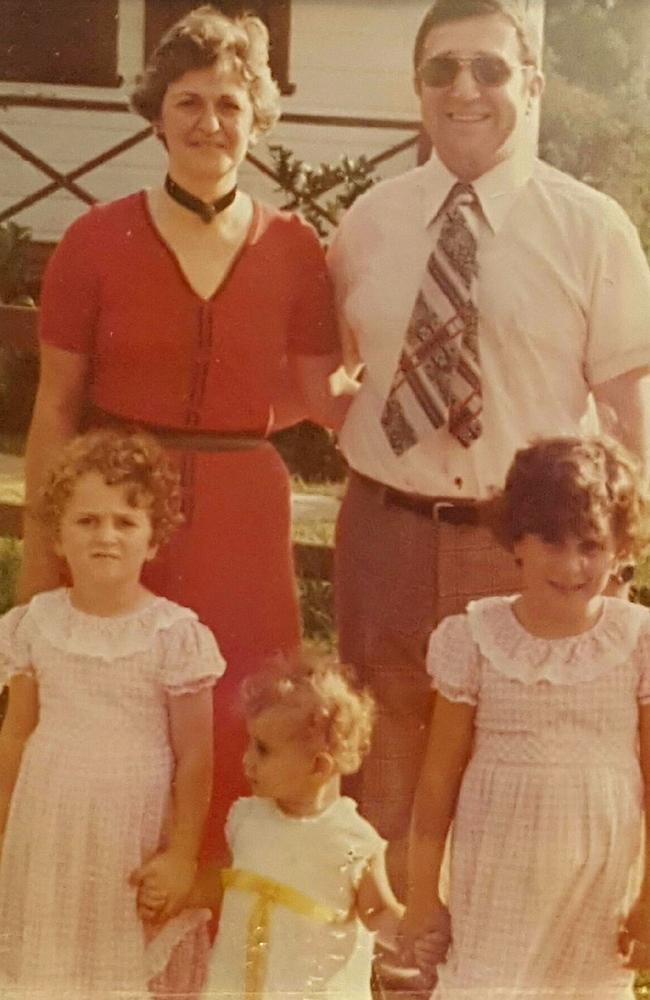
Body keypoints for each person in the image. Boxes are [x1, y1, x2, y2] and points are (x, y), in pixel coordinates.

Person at [327, 0, 650, 898]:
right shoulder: (369, 222)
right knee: (381, 762)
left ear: (533, 86)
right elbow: (339, 377)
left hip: (523, 549)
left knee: (515, 778)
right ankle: (395, 964)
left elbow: (632, 414)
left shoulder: (591, 229)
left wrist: (613, 556)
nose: (466, 89)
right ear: (418, 91)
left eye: (493, 69)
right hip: (384, 530)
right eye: (443, 70)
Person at [17, 4, 352, 860]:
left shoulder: (295, 247)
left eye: (231, 104)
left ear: (258, 118)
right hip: (124, 509)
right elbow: (57, 405)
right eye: (190, 102)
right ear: (157, 115)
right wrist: (42, 549)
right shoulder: (94, 240)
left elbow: (313, 393)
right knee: (120, 711)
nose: (211, 122)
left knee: (251, 709)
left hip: (245, 511)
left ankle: (227, 923)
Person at [402, 436, 650, 999]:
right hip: (498, 868)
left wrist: (648, 904)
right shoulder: (475, 638)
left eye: (591, 545)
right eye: (552, 542)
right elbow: (438, 778)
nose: (571, 565)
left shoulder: (638, 641)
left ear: (620, 548)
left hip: (599, 875)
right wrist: (421, 896)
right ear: (517, 540)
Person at [0, 428, 226, 998]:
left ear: (153, 541)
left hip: (132, 831)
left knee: (115, 968)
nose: (106, 536)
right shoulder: (35, 625)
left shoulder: (174, 635)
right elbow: (15, 734)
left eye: (125, 523)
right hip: (45, 826)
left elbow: (195, 756)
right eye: (87, 521)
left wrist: (179, 856)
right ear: (58, 536)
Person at [136, 656, 405, 999]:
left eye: (263, 750)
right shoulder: (249, 818)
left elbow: (378, 911)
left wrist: (411, 935)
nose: (247, 758)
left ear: (318, 767)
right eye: (250, 743)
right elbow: (228, 880)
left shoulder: (351, 839)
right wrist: (183, 892)